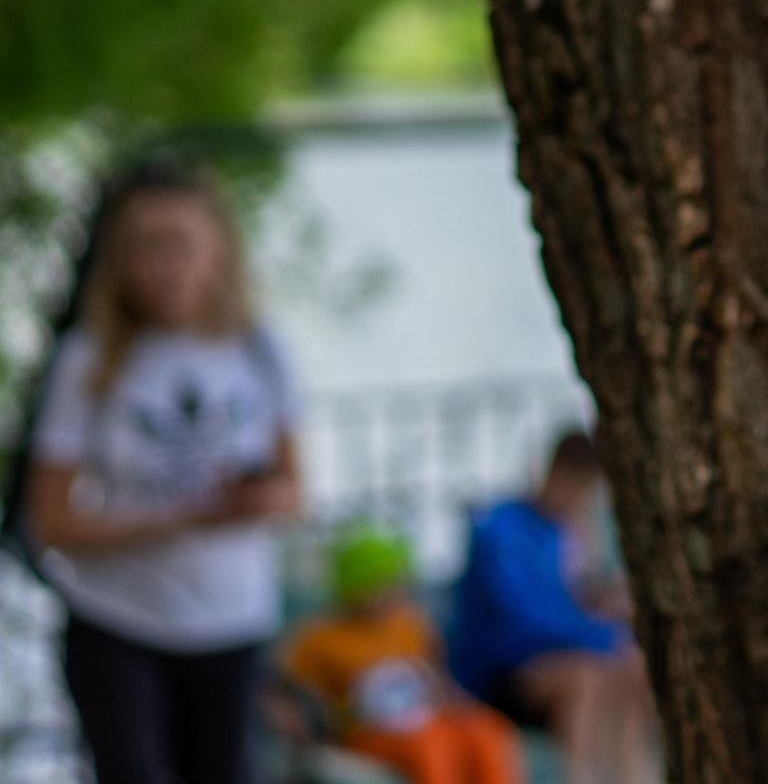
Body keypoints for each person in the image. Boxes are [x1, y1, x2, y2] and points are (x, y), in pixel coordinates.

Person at [23, 161, 302, 784]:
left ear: (218, 251)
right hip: (120, 621)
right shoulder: (88, 359)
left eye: (182, 244)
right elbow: (51, 521)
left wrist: (252, 500)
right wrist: (174, 519)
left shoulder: (261, 348)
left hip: (231, 623)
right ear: (122, 257)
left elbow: (294, 491)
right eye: (149, 247)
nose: (166, 265)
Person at [444, 433, 652, 784]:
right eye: (582, 489)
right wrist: (606, 636)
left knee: (631, 669)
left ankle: (626, 777)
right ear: (558, 472)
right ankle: (578, 777)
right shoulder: (499, 529)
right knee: (585, 677)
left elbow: (570, 602)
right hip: (495, 669)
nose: (582, 502)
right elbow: (526, 621)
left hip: (547, 657)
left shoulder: (562, 531)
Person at [278, 524, 521, 784]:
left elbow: (438, 678)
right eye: (385, 584)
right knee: (432, 745)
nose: (396, 593)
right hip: (364, 729)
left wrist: (457, 705)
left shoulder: (412, 624)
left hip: (425, 716)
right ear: (356, 588)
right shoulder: (318, 638)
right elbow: (286, 694)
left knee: (488, 730)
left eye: (399, 582)